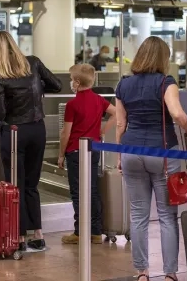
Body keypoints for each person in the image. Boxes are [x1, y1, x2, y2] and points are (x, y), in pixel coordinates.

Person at [115, 36, 187, 281]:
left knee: (138, 215)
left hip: (131, 151)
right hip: (162, 154)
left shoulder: (123, 85)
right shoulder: (166, 82)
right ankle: (170, 273)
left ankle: (141, 272)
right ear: (165, 58)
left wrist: (120, 154)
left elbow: (121, 123)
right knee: (166, 216)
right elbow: (177, 114)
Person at [0, 31, 62, 251]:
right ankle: (38, 234)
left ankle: (18, 237)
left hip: (15, 132)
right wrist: (35, 92)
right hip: (38, 129)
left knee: (15, 185)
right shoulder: (33, 63)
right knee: (32, 184)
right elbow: (56, 85)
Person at [57, 64, 116, 245]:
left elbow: (65, 133)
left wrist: (60, 155)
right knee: (92, 189)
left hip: (75, 151)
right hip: (94, 149)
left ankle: (80, 232)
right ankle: (96, 232)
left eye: (70, 79)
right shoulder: (99, 100)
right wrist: (102, 130)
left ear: (76, 82)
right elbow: (117, 114)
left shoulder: (72, 104)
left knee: (77, 192)